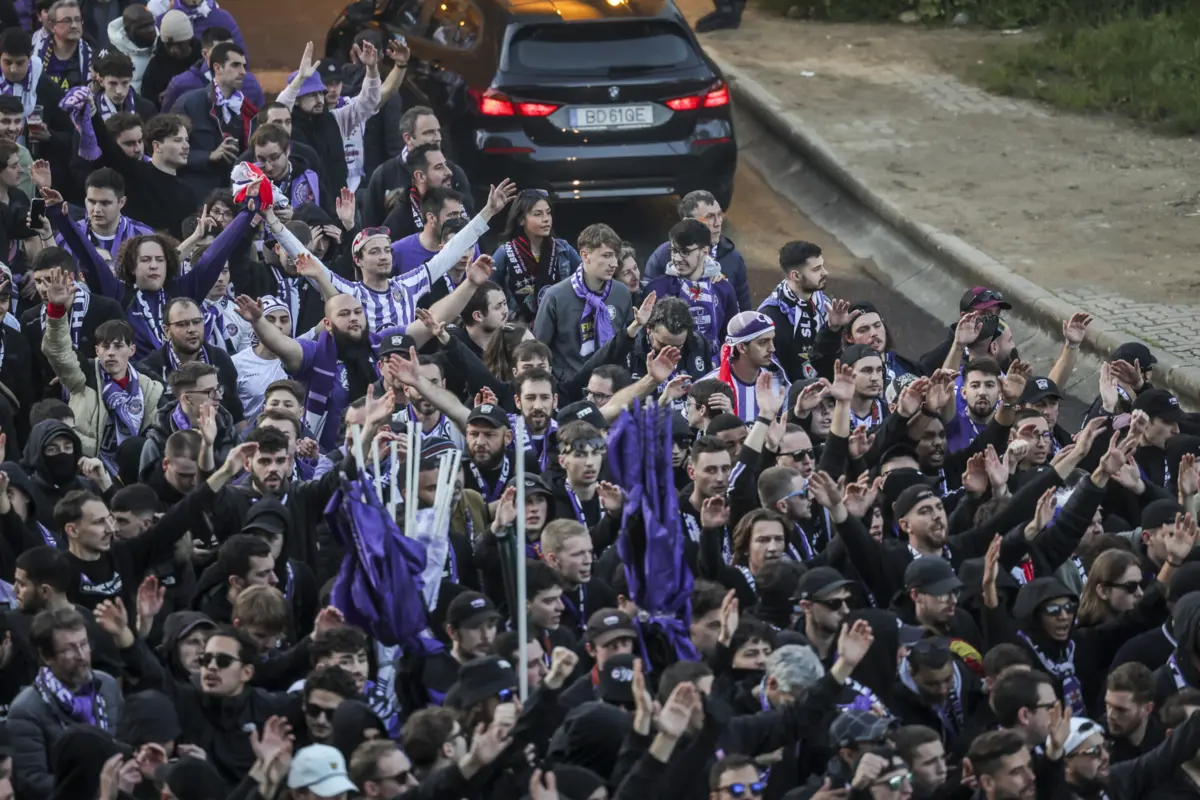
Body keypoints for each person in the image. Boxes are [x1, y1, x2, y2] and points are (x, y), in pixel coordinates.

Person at [534, 223, 633, 384]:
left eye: (615, 255)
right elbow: (540, 350)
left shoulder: (621, 293)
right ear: (585, 255)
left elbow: (626, 345)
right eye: (607, 256)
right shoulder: (555, 296)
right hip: (569, 386)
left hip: (611, 386)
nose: (614, 263)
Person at [491, 189, 581, 323]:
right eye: (538, 214)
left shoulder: (563, 249)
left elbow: (584, 279)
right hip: (519, 330)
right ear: (521, 220)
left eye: (548, 213)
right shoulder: (505, 252)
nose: (546, 219)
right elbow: (487, 291)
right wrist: (509, 317)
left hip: (559, 325)